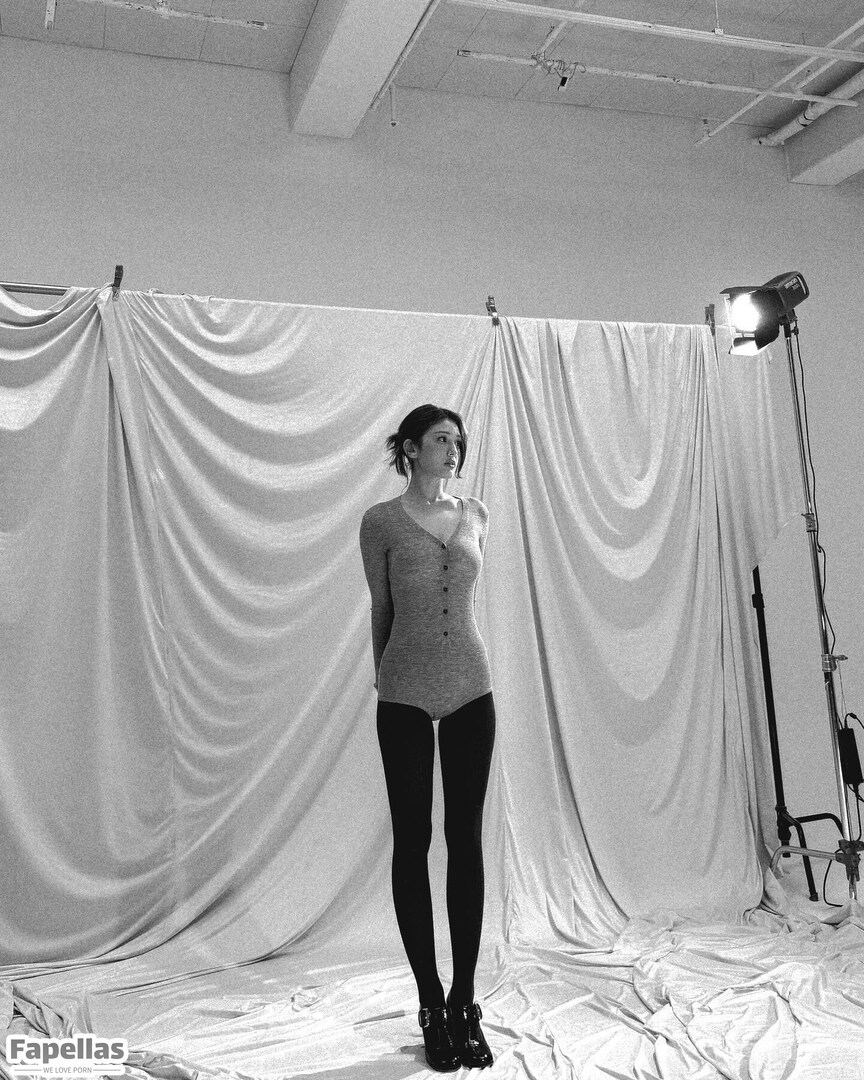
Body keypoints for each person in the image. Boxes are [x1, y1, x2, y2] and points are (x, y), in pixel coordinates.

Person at [359, 404, 496, 1072]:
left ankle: (466, 1000)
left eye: (457, 441)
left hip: (471, 686)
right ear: (410, 449)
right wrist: (385, 679)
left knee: (465, 838)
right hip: (405, 692)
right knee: (412, 840)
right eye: (441, 439)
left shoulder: (477, 514)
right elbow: (381, 608)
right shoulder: (380, 522)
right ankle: (430, 1000)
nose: (453, 449)